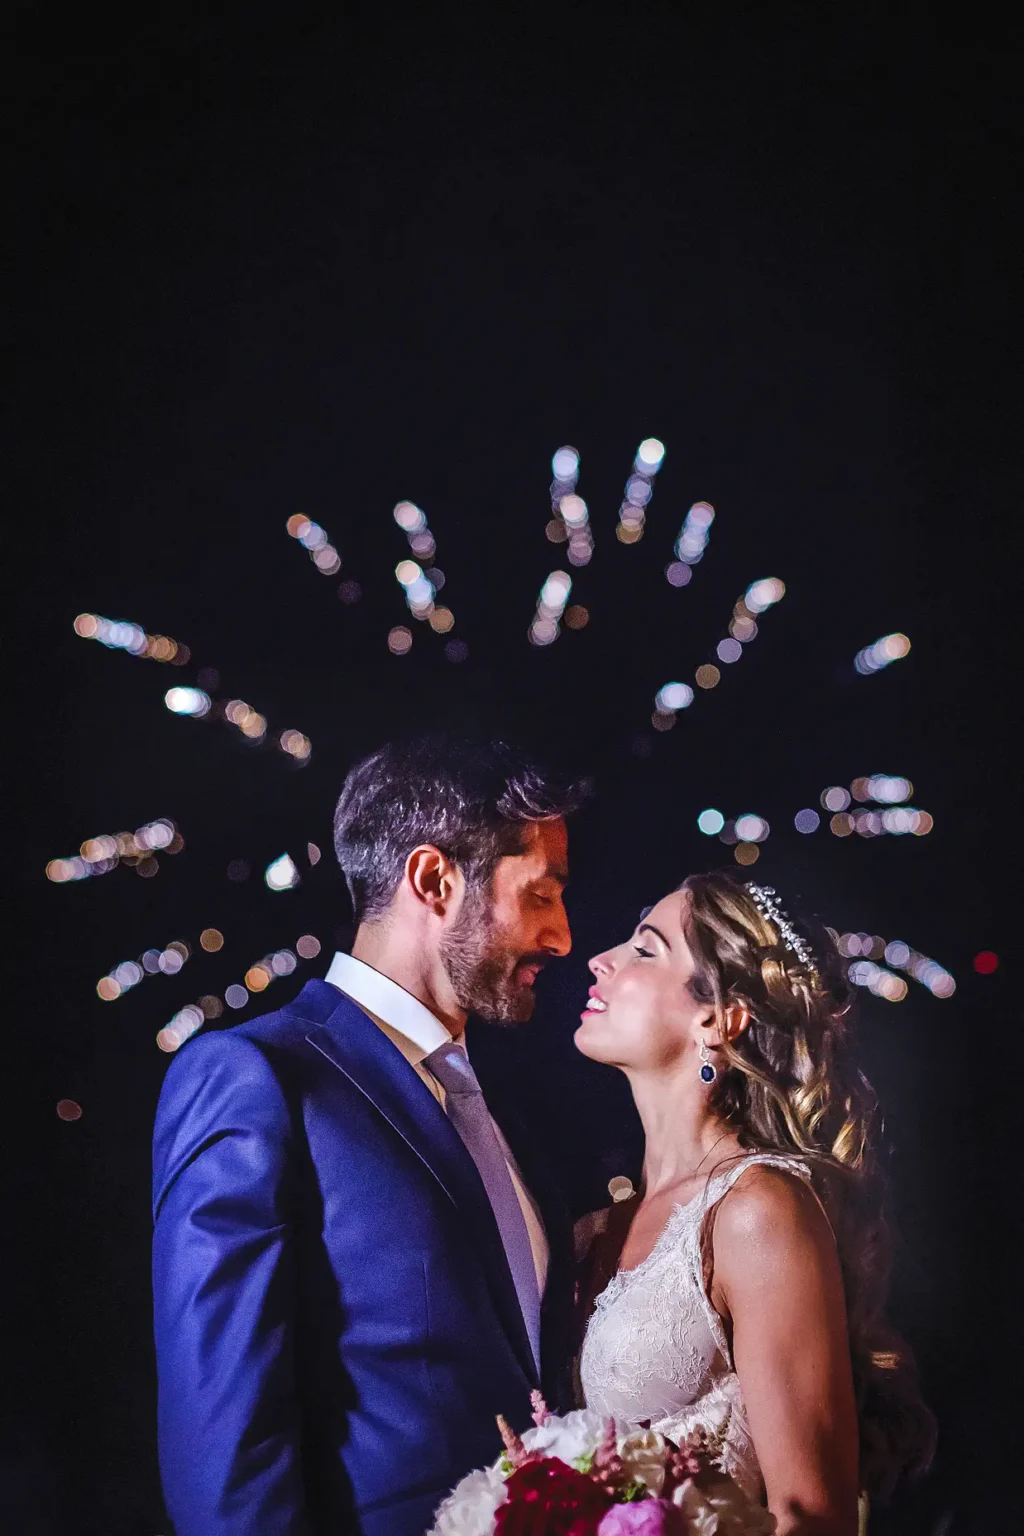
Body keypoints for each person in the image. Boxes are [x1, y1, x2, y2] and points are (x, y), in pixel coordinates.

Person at [152, 737, 578, 1536]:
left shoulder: (500, 1114)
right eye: (541, 894)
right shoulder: (257, 1076)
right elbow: (224, 1446)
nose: (561, 936)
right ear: (434, 880)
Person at [575, 872, 934, 1536]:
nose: (602, 960)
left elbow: (813, 1517)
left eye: (645, 949)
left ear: (718, 1017)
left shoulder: (757, 1210)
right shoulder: (592, 1233)